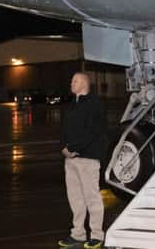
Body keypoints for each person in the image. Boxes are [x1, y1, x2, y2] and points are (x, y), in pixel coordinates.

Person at [58, 72, 108, 249]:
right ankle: (77, 234)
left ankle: (97, 235)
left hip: (88, 158)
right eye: (71, 80)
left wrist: (73, 148)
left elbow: (93, 132)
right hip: (71, 160)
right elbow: (63, 129)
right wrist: (63, 146)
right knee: (75, 199)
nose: (71, 83)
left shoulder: (95, 105)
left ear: (85, 83)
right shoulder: (72, 105)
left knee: (92, 198)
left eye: (75, 80)